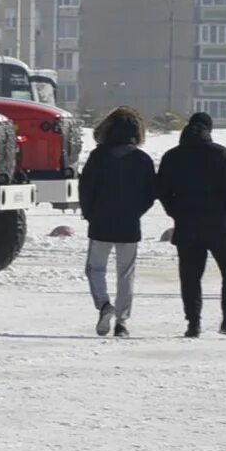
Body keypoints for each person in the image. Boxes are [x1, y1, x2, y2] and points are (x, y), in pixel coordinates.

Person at [154, 110, 226, 338]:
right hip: (219, 223)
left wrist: (175, 213)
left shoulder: (172, 156)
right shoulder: (219, 153)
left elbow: (162, 191)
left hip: (187, 224)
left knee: (190, 275)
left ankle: (193, 323)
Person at [77, 105, 156, 340]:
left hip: (101, 221)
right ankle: (122, 322)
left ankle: (103, 304)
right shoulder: (142, 159)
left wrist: (90, 213)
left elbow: (86, 188)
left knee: (95, 268)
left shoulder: (98, 156)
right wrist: (136, 212)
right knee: (126, 273)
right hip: (129, 224)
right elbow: (150, 193)